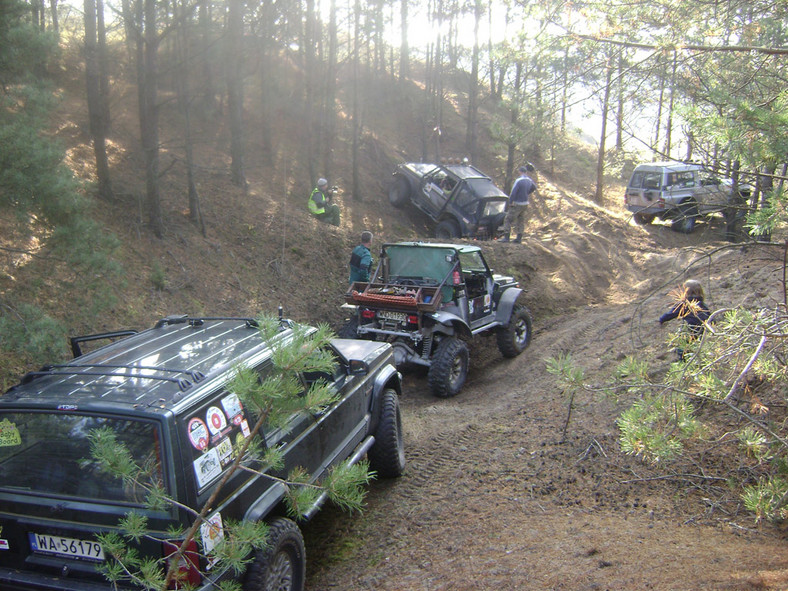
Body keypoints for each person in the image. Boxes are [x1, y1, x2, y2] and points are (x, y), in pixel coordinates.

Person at [659, 279, 710, 360]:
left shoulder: (684, 304)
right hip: (702, 335)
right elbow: (711, 320)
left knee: (682, 352)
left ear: (686, 292)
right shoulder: (703, 305)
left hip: (689, 334)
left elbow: (668, 316)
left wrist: (661, 320)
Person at [500, 164, 537, 243]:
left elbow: (513, 192)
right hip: (525, 203)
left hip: (518, 203)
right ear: (526, 172)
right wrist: (527, 192)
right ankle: (519, 238)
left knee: (508, 219)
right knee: (521, 220)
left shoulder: (519, 180)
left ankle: (506, 237)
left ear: (520, 172)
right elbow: (534, 187)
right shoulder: (529, 180)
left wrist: (510, 202)